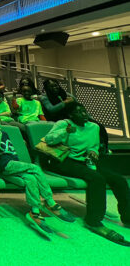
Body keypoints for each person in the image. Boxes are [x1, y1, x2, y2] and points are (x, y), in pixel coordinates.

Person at [44, 103, 130, 246]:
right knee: (96, 179)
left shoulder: (93, 127)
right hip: (62, 160)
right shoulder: (63, 124)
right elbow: (48, 140)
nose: (84, 115)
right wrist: (64, 132)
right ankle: (93, 220)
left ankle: (127, 216)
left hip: (84, 160)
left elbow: (93, 146)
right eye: (79, 113)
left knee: (119, 179)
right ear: (71, 115)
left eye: (84, 112)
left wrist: (93, 152)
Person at [0, 115, 75, 234]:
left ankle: (35, 212)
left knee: (31, 178)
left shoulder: (5, 133)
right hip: (5, 165)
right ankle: (49, 201)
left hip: (13, 165)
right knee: (35, 168)